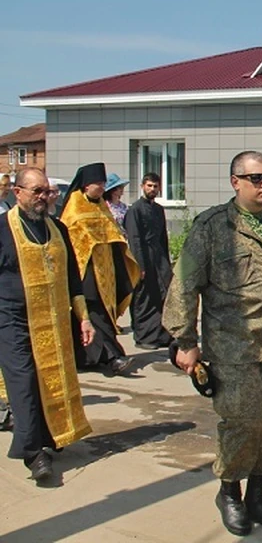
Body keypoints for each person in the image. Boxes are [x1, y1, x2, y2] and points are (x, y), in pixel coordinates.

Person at [164, 151, 262, 536]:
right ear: (235, 181)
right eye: (255, 178)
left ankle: (257, 493)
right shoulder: (212, 227)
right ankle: (230, 493)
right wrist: (184, 340)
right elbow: (184, 284)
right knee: (244, 423)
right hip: (235, 347)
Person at [0, 168, 93, 482]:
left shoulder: (58, 228)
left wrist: (84, 318)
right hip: (11, 320)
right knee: (24, 381)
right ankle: (33, 453)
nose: (44, 198)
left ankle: (52, 435)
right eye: (36, 191)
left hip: (52, 321)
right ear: (18, 193)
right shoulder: (2, 228)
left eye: (47, 191)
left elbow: (72, 278)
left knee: (51, 378)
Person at [60, 163, 139, 376]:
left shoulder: (101, 206)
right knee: (95, 314)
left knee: (101, 314)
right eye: (99, 183)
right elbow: (74, 238)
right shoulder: (74, 206)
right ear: (86, 185)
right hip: (85, 271)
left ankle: (85, 358)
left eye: (104, 183)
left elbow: (111, 232)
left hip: (106, 271)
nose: (103, 187)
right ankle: (113, 357)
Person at [125, 172, 173, 349]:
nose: (152, 189)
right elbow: (135, 238)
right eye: (149, 186)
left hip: (158, 258)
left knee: (161, 295)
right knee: (144, 298)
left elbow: (162, 238)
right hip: (143, 257)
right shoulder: (135, 210)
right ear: (142, 187)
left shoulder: (158, 209)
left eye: (155, 186)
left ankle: (161, 334)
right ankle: (144, 337)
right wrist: (140, 266)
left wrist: (166, 263)